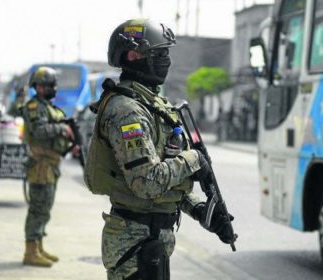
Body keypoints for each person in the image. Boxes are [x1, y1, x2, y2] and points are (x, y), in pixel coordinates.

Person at [84, 18, 236, 279]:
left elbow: (165, 178)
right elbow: (146, 183)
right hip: (134, 245)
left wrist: (200, 210)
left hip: (151, 243)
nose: (166, 60)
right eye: (159, 53)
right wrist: (193, 160)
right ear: (134, 55)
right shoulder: (127, 111)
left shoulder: (152, 105)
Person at [21, 66, 75, 267]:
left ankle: (38, 247)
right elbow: (40, 130)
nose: (54, 88)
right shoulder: (34, 107)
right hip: (40, 166)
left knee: (45, 209)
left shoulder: (47, 106)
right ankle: (30, 251)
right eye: (51, 85)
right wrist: (62, 128)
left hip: (51, 165)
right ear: (40, 87)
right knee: (37, 209)